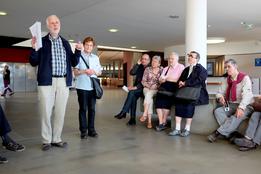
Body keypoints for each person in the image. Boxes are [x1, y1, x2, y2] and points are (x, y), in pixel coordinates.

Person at [29, 15, 81, 151]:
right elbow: (33, 61)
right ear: (48, 26)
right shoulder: (42, 41)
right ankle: (46, 140)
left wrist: (78, 51)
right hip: (47, 81)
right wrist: (34, 48)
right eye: (52, 23)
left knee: (60, 111)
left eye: (57, 22)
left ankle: (57, 139)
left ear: (60, 24)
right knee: (45, 111)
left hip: (63, 81)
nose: (55, 24)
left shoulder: (65, 43)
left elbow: (74, 62)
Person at [208, 59, 253, 143]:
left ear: (235, 67)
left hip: (245, 106)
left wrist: (241, 108)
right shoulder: (226, 80)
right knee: (218, 111)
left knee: (235, 116)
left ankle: (217, 133)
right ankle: (232, 134)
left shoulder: (244, 78)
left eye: (229, 67)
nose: (227, 69)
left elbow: (247, 95)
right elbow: (219, 93)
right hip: (230, 105)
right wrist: (220, 97)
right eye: (225, 67)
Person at [168, 51, 209, 137]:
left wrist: (185, 83)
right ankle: (177, 129)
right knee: (178, 105)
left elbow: (199, 81)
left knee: (189, 107)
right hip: (184, 92)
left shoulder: (202, 69)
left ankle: (187, 129)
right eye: (189, 56)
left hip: (194, 93)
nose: (189, 57)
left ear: (196, 59)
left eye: (191, 56)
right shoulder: (186, 69)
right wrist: (180, 82)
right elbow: (180, 79)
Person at [73, 36, 102, 139]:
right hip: (82, 86)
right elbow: (75, 72)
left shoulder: (95, 58)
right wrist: (84, 71)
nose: (89, 47)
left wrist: (94, 71)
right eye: (87, 45)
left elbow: (99, 71)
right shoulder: (78, 56)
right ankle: (83, 131)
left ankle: (91, 130)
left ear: (93, 46)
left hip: (92, 87)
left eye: (91, 45)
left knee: (92, 109)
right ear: (84, 45)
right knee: (83, 109)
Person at [114, 54, 150, 125]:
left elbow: (146, 81)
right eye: (142, 59)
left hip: (146, 89)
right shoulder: (139, 66)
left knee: (132, 93)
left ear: (149, 60)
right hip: (138, 88)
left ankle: (124, 112)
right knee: (132, 96)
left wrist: (135, 87)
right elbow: (132, 73)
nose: (143, 60)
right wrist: (137, 64)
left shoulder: (150, 68)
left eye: (145, 59)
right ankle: (132, 119)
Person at [155, 52, 184, 131]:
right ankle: (161, 123)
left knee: (166, 103)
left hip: (172, 88)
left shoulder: (181, 67)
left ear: (177, 59)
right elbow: (160, 80)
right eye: (169, 58)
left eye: (172, 59)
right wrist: (161, 80)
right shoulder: (165, 68)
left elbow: (178, 79)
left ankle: (164, 121)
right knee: (158, 103)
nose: (170, 60)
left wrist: (166, 78)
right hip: (163, 87)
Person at [139, 56, 162, 129]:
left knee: (148, 95)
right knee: (149, 98)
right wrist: (148, 85)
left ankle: (145, 114)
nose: (153, 63)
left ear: (159, 63)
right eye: (152, 61)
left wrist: (156, 86)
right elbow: (143, 81)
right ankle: (149, 121)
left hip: (156, 89)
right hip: (146, 88)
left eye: (155, 62)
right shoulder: (147, 69)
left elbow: (162, 81)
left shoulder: (162, 70)